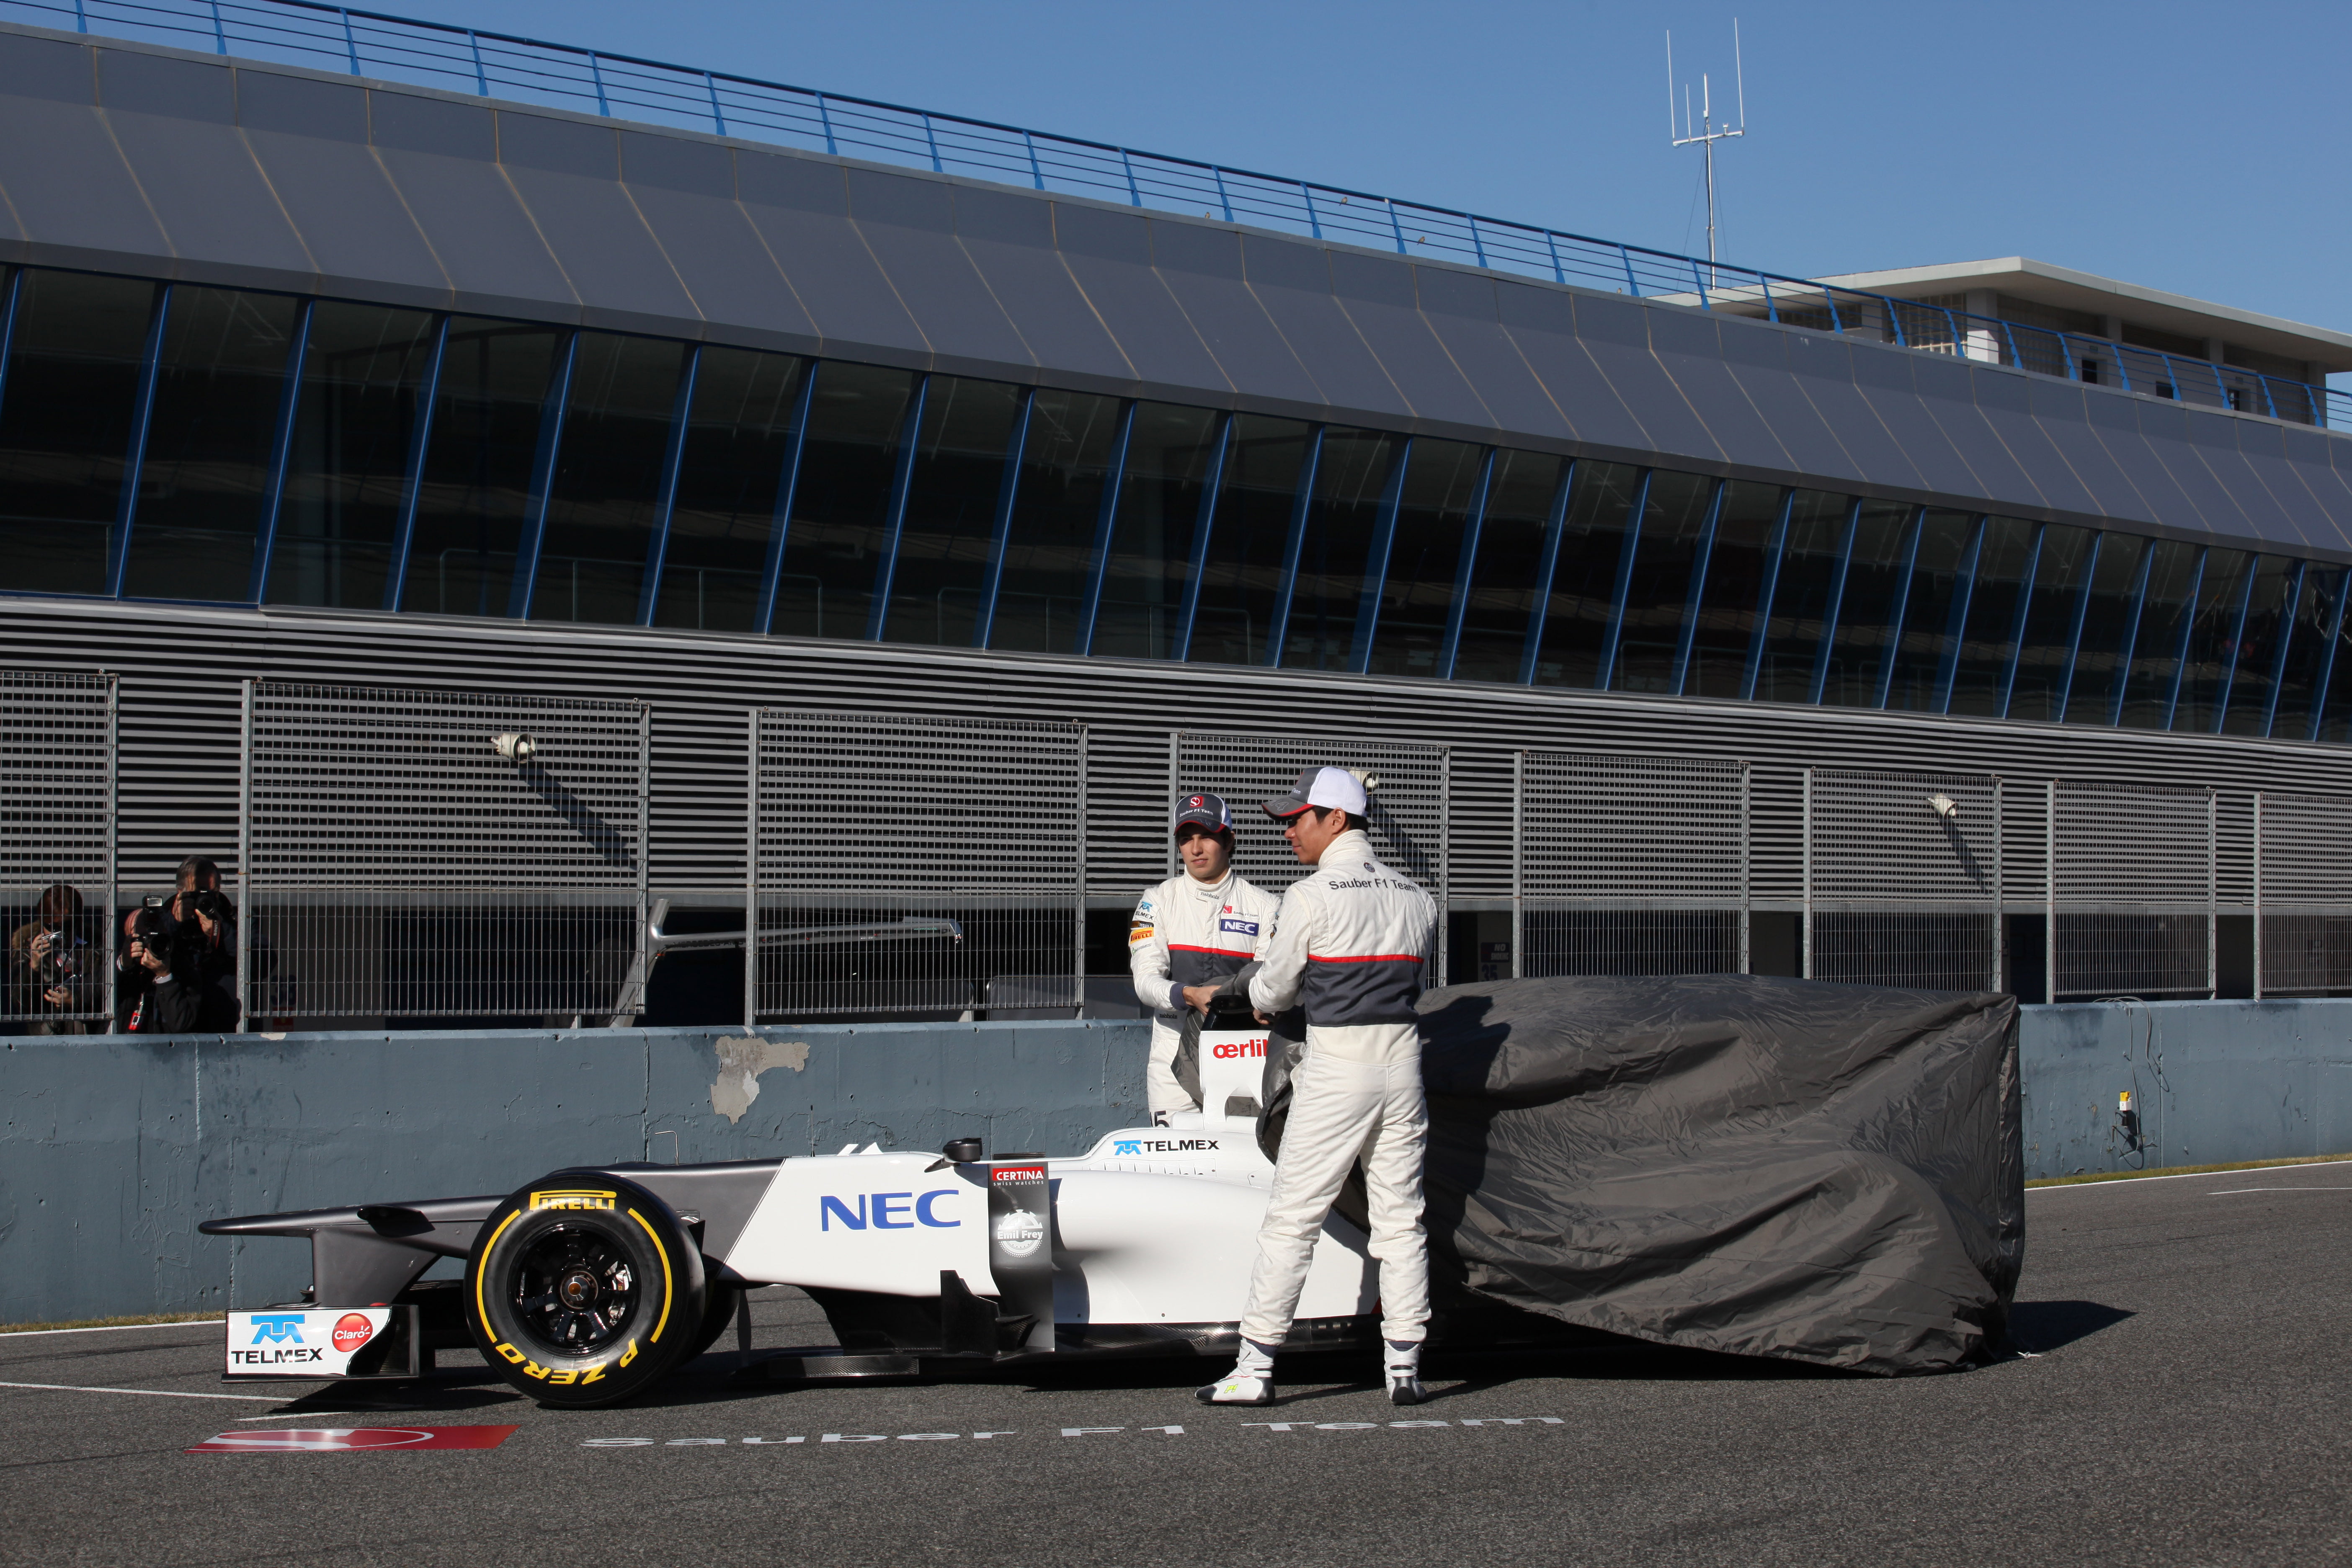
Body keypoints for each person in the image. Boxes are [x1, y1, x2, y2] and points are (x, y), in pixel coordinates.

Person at [1198, 767, 1438, 1408]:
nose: (1288, 832)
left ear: (1337, 819)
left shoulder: (1309, 895)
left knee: (1291, 1222)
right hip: (1404, 1066)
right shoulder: (1419, 897)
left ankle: (1253, 1368)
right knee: (1402, 1219)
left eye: (1297, 819)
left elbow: (1273, 989)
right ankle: (1405, 1366)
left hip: (1336, 1067)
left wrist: (1262, 998)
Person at [1127, 792, 1280, 1117]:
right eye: (1186, 839)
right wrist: (1188, 995)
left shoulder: (1267, 907)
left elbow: (1272, 984)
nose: (1195, 849)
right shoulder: (1156, 901)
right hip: (1172, 1061)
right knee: (1172, 1167)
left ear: (1228, 840)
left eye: (1207, 837)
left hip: (1244, 1056)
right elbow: (1144, 981)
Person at [116, 856, 239, 1034]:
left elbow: (261, 961)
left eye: (212, 893)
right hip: (173, 1026)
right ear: (181, 892)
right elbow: (152, 953)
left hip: (221, 1026)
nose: (204, 900)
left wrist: (220, 932)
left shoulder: (233, 920)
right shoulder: (162, 919)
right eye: (197, 894)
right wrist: (175, 922)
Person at [9, 883, 97, 1034]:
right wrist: (34, 965)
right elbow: (22, 1006)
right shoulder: (26, 949)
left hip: (89, 1036)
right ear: (41, 920)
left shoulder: (95, 949)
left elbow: (106, 993)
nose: (60, 932)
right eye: (52, 926)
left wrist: (75, 1001)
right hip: (48, 1037)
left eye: (67, 925)